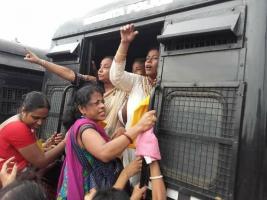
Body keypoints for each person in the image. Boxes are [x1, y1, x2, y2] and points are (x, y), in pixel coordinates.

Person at [56, 83, 156, 200]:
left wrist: (117, 139)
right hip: (88, 191)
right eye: (96, 103)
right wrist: (138, 127)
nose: (102, 106)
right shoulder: (85, 129)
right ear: (82, 109)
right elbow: (104, 153)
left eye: (102, 101)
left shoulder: (88, 126)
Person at [24, 52, 127, 137]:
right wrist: (39, 61)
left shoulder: (125, 91)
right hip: (90, 138)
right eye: (100, 66)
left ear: (117, 70)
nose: (100, 70)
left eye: (106, 67)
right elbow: (69, 73)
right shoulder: (92, 85)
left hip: (114, 142)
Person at [109, 24, 160, 184]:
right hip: (133, 147)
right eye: (147, 58)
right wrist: (124, 43)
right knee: (134, 186)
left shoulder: (167, 85)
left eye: (154, 58)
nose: (149, 61)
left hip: (159, 148)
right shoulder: (138, 81)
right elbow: (115, 77)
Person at [0, 91, 65, 172]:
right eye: (35, 118)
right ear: (23, 110)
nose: (40, 122)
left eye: (44, 118)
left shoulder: (21, 120)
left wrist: (46, 145)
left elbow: (23, 148)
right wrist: (65, 142)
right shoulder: (18, 127)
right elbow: (41, 161)